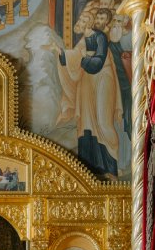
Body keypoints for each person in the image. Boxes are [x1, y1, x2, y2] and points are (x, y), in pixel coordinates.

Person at [51, 10, 123, 178]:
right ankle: (90, 168)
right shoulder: (85, 39)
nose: (80, 23)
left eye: (83, 21)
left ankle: (110, 165)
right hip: (87, 81)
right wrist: (62, 53)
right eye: (81, 21)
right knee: (86, 122)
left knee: (103, 121)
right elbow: (75, 55)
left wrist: (83, 59)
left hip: (103, 78)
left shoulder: (100, 37)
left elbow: (98, 61)